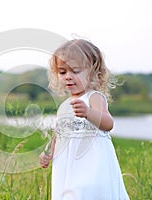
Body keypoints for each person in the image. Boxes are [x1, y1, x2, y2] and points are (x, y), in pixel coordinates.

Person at [39, 39, 129, 199]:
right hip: (68, 167)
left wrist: (88, 113)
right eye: (62, 72)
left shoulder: (93, 98)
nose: (68, 76)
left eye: (75, 71)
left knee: (86, 193)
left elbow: (108, 124)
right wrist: (49, 152)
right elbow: (59, 134)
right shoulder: (65, 106)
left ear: (93, 72)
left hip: (91, 165)